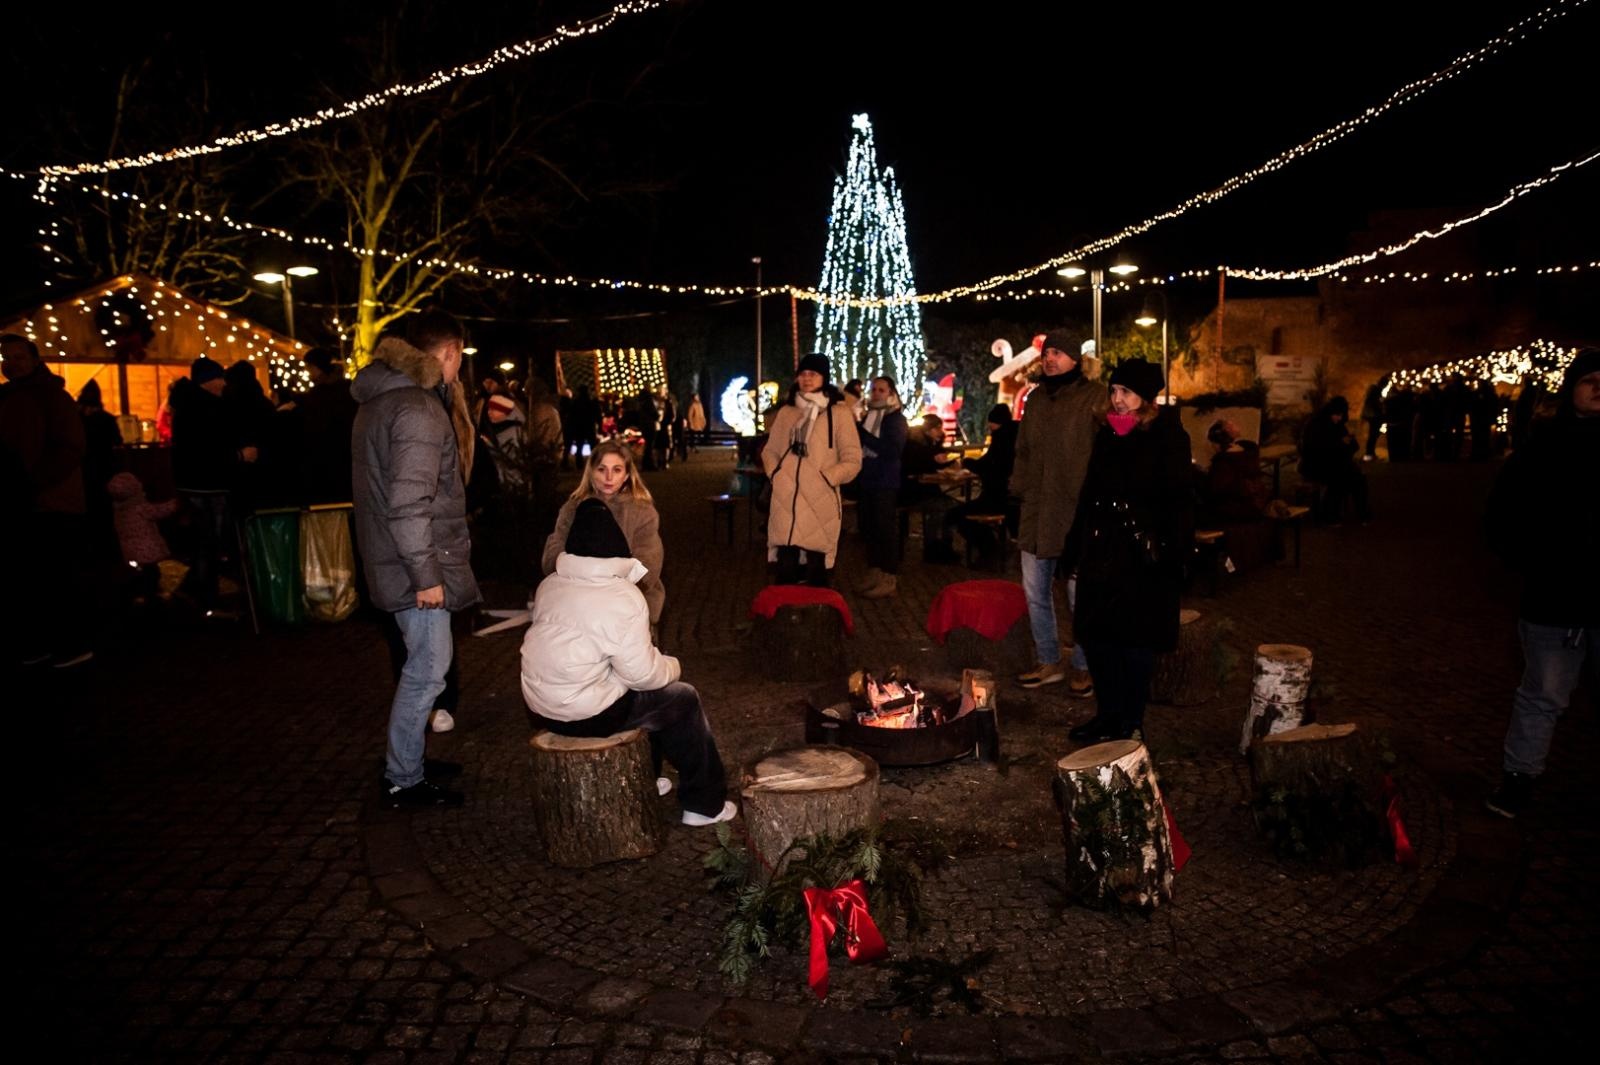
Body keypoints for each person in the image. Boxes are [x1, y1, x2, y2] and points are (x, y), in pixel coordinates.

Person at [522, 498, 735, 826]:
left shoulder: (550, 585)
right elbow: (644, 675)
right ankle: (704, 804)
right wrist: (672, 665)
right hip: (587, 714)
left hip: (540, 709)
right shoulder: (622, 596)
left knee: (630, 691)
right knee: (681, 698)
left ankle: (647, 778)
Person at [352, 310, 480, 809]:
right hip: (413, 568)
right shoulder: (418, 410)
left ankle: (408, 762)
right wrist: (427, 576)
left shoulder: (381, 400)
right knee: (428, 669)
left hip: (391, 559)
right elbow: (409, 503)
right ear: (448, 352)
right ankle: (403, 776)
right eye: (459, 358)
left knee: (423, 665)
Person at [1483, 349, 1599, 818]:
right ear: (1572, 387)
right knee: (1541, 695)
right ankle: (1518, 782)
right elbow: (1502, 514)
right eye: (1589, 379)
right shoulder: (1543, 448)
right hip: (1554, 600)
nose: (1598, 386)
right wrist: (1533, 561)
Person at [1067, 359, 1194, 743]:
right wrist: (1075, 547)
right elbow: (1090, 493)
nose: (1118, 400)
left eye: (1127, 393)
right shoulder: (1108, 433)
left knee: (1134, 642)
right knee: (1098, 637)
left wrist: (1177, 556)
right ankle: (1107, 714)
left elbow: (1180, 500)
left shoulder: (1168, 435)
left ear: (1146, 398)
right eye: (1114, 391)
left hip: (1141, 558)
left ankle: (1130, 721)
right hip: (1102, 552)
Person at [1008, 335, 1106, 692]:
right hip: (1036, 509)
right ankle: (1049, 660)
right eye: (1047, 352)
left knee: (1079, 593)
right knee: (1035, 590)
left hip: (1076, 510)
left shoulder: (1095, 396)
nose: (1050, 359)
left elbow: (1108, 448)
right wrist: (1016, 495)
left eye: (1058, 353)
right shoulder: (1035, 399)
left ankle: (1084, 663)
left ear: (1076, 359)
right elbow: (1023, 452)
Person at [0, 333, 90, 667]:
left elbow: (70, 447)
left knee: (57, 576)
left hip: (51, 501)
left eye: (18, 357)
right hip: (25, 500)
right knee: (32, 578)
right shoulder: (12, 396)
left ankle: (71, 643)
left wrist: (33, 480)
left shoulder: (52, 397)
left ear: (35, 360)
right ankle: (43, 642)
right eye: (5, 357)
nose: (11, 363)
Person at [761, 354, 862, 587]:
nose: (807, 379)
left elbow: (853, 458)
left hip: (820, 500)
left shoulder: (838, 413)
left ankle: (818, 620)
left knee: (817, 570)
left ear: (823, 378)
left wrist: (828, 477)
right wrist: (776, 474)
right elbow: (770, 450)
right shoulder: (787, 412)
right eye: (803, 373)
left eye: (813, 374)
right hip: (786, 500)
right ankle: (784, 620)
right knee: (786, 568)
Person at [543, 439, 665, 625]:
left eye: (616, 470)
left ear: (626, 475)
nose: (609, 477)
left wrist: (611, 586)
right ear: (591, 472)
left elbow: (648, 563)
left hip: (629, 601)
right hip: (578, 598)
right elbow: (555, 548)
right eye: (602, 469)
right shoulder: (573, 508)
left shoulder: (642, 512)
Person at [168, 355, 253, 616]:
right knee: (209, 543)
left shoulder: (186, 406)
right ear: (209, 380)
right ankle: (207, 599)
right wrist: (239, 456)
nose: (223, 383)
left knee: (204, 542)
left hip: (194, 483)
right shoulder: (207, 409)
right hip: (209, 485)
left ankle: (194, 591)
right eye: (219, 377)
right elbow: (208, 451)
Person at [933, 403, 1018, 562]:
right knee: (961, 513)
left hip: (996, 499)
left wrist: (967, 462)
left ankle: (988, 549)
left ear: (996, 422)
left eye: (991, 422)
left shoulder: (1001, 440)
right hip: (1008, 498)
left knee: (957, 516)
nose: (989, 426)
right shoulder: (1013, 437)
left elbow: (989, 466)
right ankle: (991, 548)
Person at [854, 376, 908, 599]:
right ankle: (874, 570)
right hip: (868, 479)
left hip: (885, 481)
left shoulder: (895, 420)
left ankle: (888, 575)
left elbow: (892, 450)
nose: (876, 393)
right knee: (869, 527)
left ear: (891, 393)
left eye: (881, 390)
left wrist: (865, 436)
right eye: (874, 389)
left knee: (885, 528)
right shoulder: (870, 417)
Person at [297, 347, 358, 505]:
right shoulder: (348, 390)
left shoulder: (319, 395)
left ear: (316, 367)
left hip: (327, 463)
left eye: (309, 368)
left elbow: (314, 430)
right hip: (348, 461)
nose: (308, 372)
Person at [109, 470, 180, 601]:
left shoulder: (119, 511)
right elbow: (159, 511)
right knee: (152, 573)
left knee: (140, 573)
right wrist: (175, 503)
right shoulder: (139, 508)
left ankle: (140, 593)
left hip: (130, 551)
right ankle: (151, 595)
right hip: (146, 549)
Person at [1300, 396, 1371, 524]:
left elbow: (1353, 447)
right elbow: (1315, 450)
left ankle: (1362, 514)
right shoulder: (1316, 425)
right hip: (1316, 465)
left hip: (1336, 464)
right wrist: (1339, 443)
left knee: (1358, 479)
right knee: (1339, 479)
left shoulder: (1338, 425)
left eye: (1341, 415)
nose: (1338, 418)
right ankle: (1329, 515)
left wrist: (1347, 442)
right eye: (1336, 415)